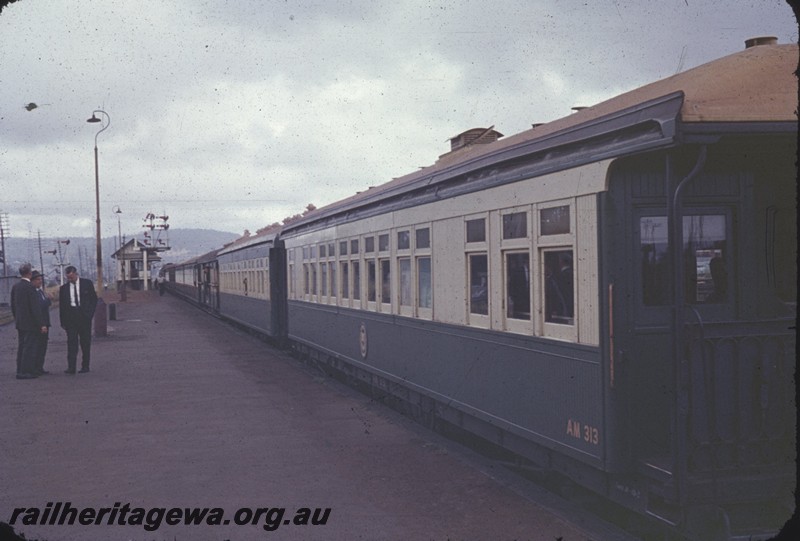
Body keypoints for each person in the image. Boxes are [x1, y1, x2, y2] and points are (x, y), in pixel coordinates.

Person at [10, 263, 47, 379]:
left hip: (20, 322)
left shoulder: (16, 287)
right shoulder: (31, 288)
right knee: (29, 347)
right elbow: (35, 308)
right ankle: (26, 372)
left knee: (22, 346)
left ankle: (20, 369)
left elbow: (13, 305)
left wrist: (17, 318)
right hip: (31, 323)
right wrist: (41, 324)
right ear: (30, 273)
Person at [59, 266, 98, 374]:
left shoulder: (87, 284)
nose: (70, 280)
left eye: (71, 277)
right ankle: (71, 367)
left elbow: (93, 299)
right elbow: (62, 307)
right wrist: (63, 322)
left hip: (84, 317)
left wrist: (89, 314)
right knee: (71, 343)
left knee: (85, 342)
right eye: (68, 278)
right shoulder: (63, 289)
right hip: (71, 318)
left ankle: (85, 366)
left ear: (76, 274)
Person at [31, 271, 52, 375]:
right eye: (38, 279)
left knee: (43, 346)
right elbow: (38, 307)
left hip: (46, 322)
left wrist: (48, 299)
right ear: (33, 281)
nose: (40, 281)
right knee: (37, 346)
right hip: (39, 323)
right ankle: (35, 367)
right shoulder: (33, 293)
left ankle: (40, 367)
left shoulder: (41, 291)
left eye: (41, 279)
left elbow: (46, 304)